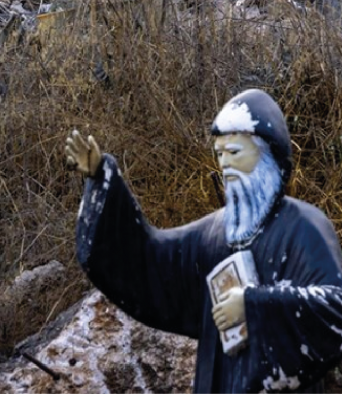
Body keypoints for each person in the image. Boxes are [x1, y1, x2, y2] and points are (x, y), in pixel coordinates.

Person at [65, 88, 342, 393]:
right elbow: (151, 262)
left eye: (234, 152)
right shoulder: (215, 232)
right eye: (219, 154)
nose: (224, 164)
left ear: (269, 155)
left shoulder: (304, 226)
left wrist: (252, 306)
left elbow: (334, 309)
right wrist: (103, 180)